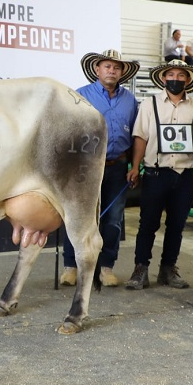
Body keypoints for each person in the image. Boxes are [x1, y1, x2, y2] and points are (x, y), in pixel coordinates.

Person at [125, 60, 193, 290]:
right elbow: (140, 137)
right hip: (156, 171)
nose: (176, 78)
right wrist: (135, 167)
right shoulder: (149, 104)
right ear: (163, 78)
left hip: (184, 174)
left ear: (188, 80)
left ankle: (168, 268)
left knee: (176, 225)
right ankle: (140, 268)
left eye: (181, 75)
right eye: (171, 74)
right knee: (147, 224)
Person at [60, 50, 140, 288]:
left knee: (113, 219)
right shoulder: (80, 96)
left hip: (118, 166)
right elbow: (67, 131)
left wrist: (135, 166)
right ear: (97, 69)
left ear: (122, 72)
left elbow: (137, 135)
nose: (112, 71)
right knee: (79, 216)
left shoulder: (130, 100)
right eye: (107, 66)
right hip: (86, 167)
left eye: (117, 67)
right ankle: (71, 266)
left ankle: (106, 268)